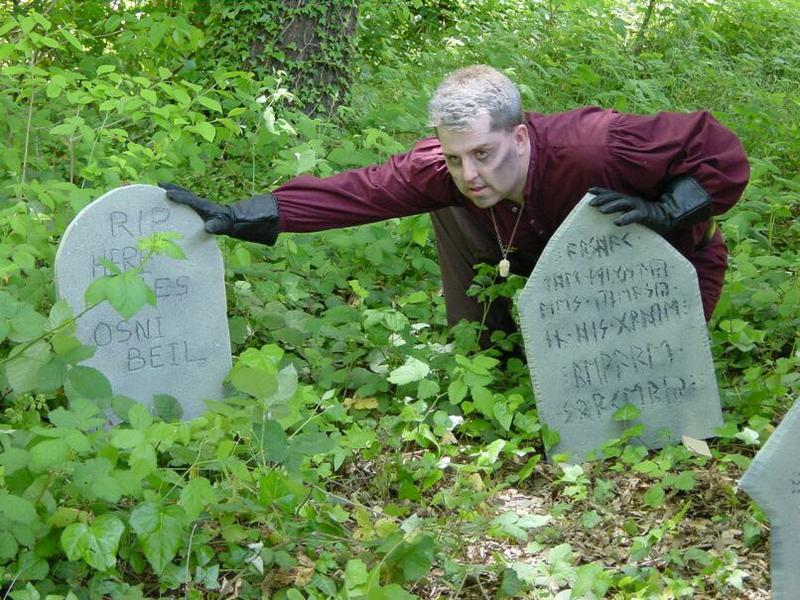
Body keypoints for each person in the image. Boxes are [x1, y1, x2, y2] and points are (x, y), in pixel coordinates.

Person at [161, 65, 749, 346]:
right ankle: (488, 347)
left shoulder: (593, 147)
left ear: (519, 137)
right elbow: (361, 190)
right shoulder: (447, 171)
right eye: (456, 156)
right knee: (449, 204)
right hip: (560, 276)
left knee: (650, 379)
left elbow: (717, 150)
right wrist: (247, 213)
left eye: (484, 154)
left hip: (665, 273)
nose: (470, 173)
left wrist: (667, 212)